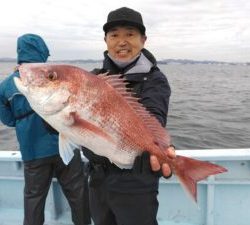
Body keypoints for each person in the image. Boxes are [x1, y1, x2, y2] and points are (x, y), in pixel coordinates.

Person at [82, 7, 176, 225]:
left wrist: (160, 148)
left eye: (130, 34)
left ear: (143, 40)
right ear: (105, 40)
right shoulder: (92, 79)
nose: (121, 41)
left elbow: (154, 119)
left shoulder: (155, 80)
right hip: (98, 179)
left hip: (137, 181)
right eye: (114, 35)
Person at [0, 34, 90, 225]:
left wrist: (24, 121)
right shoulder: (55, 76)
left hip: (32, 151)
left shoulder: (6, 86)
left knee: (34, 198)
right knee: (77, 193)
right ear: (42, 52)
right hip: (64, 145)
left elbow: (8, 120)